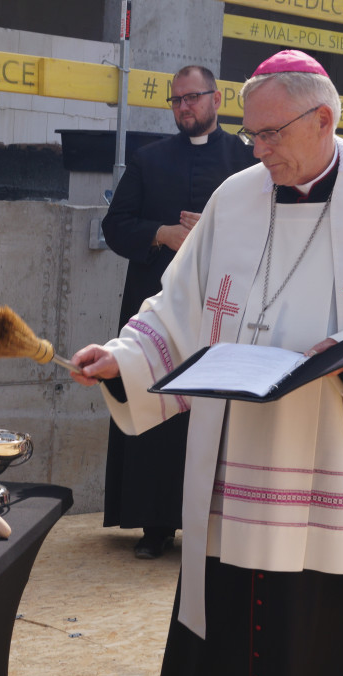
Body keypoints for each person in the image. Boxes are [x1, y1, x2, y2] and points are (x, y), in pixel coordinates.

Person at [70, 50, 343, 676]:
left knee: (323, 624)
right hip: (239, 455)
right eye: (251, 133)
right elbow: (180, 304)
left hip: (340, 456)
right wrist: (124, 359)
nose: (257, 150)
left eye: (271, 134)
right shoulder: (236, 198)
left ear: (324, 120)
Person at [100, 65, 256, 559]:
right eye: (176, 101)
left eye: (193, 98)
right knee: (158, 407)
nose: (184, 108)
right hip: (158, 304)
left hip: (227, 309)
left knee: (216, 412)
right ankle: (155, 524)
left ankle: (215, 523)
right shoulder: (148, 160)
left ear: (217, 98)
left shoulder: (248, 159)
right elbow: (115, 225)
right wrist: (161, 234)